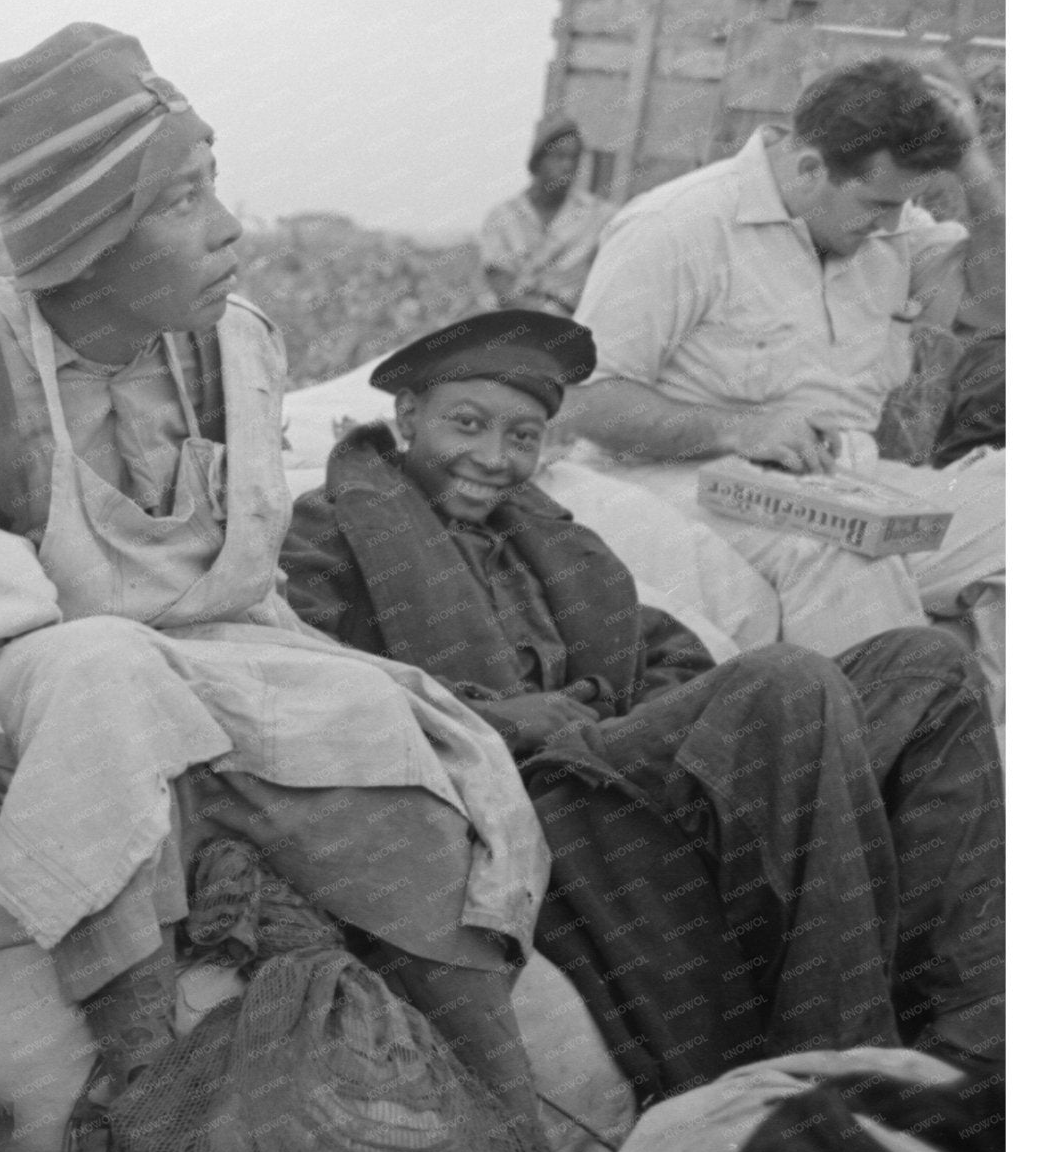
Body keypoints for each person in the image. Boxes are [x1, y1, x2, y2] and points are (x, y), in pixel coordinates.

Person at [0, 23, 560, 1152]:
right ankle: (146, 1088)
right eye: (178, 200)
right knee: (103, 669)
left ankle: (517, 1143)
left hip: (232, 649)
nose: (225, 228)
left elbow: (241, 573)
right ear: (86, 242)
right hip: (61, 667)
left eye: (210, 183)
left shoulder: (238, 342)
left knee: (398, 724)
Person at [281, 310, 1005, 1096]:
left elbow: (668, 652)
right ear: (407, 415)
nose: (493, 457)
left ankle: (978, 1040)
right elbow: (322, 688)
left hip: (616, 749)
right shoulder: (334, 526)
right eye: (467, 424)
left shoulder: (550, 538)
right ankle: (840, 1069)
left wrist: (638, 712)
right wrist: (512, 718)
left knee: (927, 666)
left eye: (522, 437)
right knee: (785, 683)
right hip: (527, 783)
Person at [558, 58, 1005, 670]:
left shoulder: (890, 227)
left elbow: (1001, 304)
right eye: (877, 204)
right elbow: (587, 401)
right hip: (682, 482)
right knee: (841, 552)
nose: (890, 224)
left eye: (902, 206)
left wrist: (974, 167)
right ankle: (891, 717)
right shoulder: (679, 224)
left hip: (847, 482)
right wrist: (738, 429)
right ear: (810, 168)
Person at [477, 114, 615, 315]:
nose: (568, 166)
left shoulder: (598, 215)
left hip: (572, 323)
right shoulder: (502, 218)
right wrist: (539, 314)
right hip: (510, 322)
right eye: (559, 156)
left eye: (574, 158)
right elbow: (500, 281)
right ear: (538, 160)